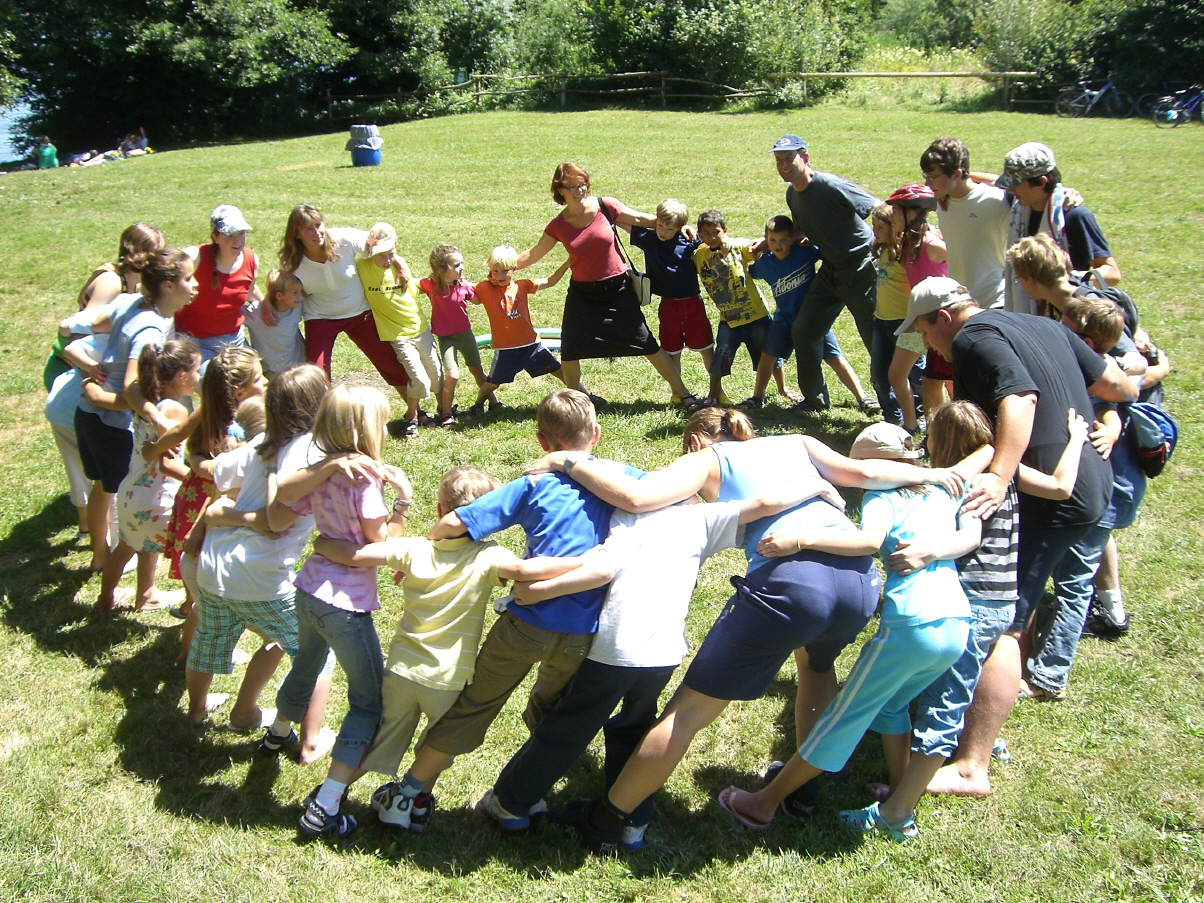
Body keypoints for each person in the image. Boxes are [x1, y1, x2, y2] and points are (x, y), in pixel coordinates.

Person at [522, 408, 962, 853]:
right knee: (815, 666)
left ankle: (606, 820)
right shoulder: (796, 442)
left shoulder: (707, 460)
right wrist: (940, 473)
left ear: (695, 442)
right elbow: (866, 472)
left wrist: (567, 461)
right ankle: (801, 791)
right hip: (860, 586)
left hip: (792, 584)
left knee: (688, 712)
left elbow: (637, 498)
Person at [481, 478, 839, 849]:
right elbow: (767, 498)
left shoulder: (627, 515)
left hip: (613, 650)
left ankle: (512, 802)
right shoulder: (700, 520)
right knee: (636, 730)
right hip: (663, 655)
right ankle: (632, 824)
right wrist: (814, 487)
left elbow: (600, 564)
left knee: (570, 725)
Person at [896, 276, 1136, 797]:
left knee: (1002, 621)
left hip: (1049, 497)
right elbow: (1121, 385)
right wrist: (1111, 420)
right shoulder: (1038, 323)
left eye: (923, 332)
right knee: (1012, 615)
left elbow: (1021, 399)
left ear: (943, 317)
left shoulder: (971, 338)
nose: (928, 346)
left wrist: (1000, 475)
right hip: (1090, 482)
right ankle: (984, 732)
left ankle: (972, 762)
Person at [363, 389, 640, 830]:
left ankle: (410, 791)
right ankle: (528, 795)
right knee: (554, 711)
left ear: (541, 442)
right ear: (597, 435)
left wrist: (432, 554)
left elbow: (456, 522)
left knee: (474, 704)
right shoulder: (625, 480)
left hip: (526, 622)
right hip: (583, 631)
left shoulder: (534, 482)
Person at [715, 421, 979, 840]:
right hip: (957, 624)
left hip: (909, 624)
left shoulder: (882, 496)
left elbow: (869, 542)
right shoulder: (944, 491)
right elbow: (972, 534)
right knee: (892, 708)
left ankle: (763, 803)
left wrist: (799, 540)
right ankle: (898, 789)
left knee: (842, 719)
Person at [286, 465, 580, 833]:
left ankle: (331, 795)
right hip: (448, 679)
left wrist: (323, 544)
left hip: (402, 671)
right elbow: (526, 570)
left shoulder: (414, 549)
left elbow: (357, 555)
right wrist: (588, 560)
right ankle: (413, 802)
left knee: (380, 736)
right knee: (436, 745)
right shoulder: (489, 557)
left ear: (441, 512)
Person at [258, 385, 411, 839]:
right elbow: (382, 547)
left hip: (308, 591)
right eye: (382, 422)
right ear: (367, 429)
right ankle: (324, 806)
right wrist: (401, 500)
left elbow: (279, 513)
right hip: (345, 606)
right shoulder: (366, 481)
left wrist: (323, 470)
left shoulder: (320, 472)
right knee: (369, 701)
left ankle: (278, 731)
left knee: (305, 664)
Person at [185, 365, 330, 729]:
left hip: (213, 567)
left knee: (208, 643)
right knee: (314, 653)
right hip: (262, 575)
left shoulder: (260, 441)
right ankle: (307, 737)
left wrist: (225, 508)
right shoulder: (312, 453)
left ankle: (197, 711)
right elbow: (274, 522)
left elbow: (217, 472)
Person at [514, 162, 700, 409]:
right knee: (570, 349)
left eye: (582, 184)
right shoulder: (558, 225)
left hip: (617, 289)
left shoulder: (605, 206)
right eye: (571, 186)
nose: (579, 190)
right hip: (583, 293)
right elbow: (534, 253)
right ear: (560, 191)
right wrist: (502, 266)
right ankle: (577, 403)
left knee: (647, 343)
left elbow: (643, 219)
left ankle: (684, 394)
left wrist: (679, 225)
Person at [68, 248, 198, 573]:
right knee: (119, 492)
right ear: (168, 285)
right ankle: (114, 564)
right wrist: (155, 416)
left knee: (105, 488)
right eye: (188, 278)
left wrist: (95, 366)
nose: (195, 284)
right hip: (111, 423)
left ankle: (101, 555)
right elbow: (131, 386)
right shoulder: (150, 330)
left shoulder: (133, 300)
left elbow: (98, 322)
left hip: (89, 415)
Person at [162, 346, 267, 667]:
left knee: (202, 598)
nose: (265, 384)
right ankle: (203, 650)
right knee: (212, 597)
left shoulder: (216, 412)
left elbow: (193, 454)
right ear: (238, 392)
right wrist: (211, 469)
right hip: (209, 511)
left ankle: (185, 652)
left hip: (202, 505)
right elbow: (194, 454)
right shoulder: (237, 423)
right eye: (260, 379)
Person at [770, 134, 879, 411]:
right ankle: (814, 400)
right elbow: (803, 226)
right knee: (804, 330)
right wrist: (780, 239)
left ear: (805, 158)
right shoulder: (792, 194)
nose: (783, 165)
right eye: (779, 160)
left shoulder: (830, 185)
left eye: (789, 159)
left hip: (861, 270)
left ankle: (898, 407)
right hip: (830, 271)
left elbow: (878, 208)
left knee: (876, 340)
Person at [93, 339, 200, 613]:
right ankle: (191, 606)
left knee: (127, 547)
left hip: (131, 493)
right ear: (182, 376)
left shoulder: (146, 402)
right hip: (160, 500)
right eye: (197, 370)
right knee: (191, 553)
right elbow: (167, 464)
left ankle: (106, 600)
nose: (199, 377)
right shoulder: (175, 411)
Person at [276, 204, 410, 398]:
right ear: (296, 234)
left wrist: (401, 264)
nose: (317, 232)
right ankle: (322, 420)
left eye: (318, 224)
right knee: (316, 374)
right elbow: (285, 291)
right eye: (308, 228)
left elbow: (381, 242)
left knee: (389, 361)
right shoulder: (292, 262)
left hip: (359, 313)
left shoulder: (342, 238)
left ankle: (415, 412)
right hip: (320, 318)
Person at [745, 215, 874, 413]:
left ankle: (863, 398)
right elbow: (750, 269)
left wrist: (810, 241)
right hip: (784, 319)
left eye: (783, 240)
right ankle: (758, 397)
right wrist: (755, 250)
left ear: (792, 238)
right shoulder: (765, 264)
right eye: (772, 240)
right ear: (766, 239)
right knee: (767, 357)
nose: (778, 245)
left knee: (834, 358)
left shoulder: (804, 253)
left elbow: (824, 252)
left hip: (813, 319)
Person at [996, 143, 1121, 317]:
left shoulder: (1074, 216)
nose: (1010, 189)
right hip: (1027, 316)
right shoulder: (1021, 208)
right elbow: (976, 182)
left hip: (1067, 316)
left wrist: (1063, 281)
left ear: (1041, 182)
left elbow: (1112, 273)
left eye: (1016, 183)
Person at [357, 224, 445, 437]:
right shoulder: (362, 266)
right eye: (381, 256)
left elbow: (417, 284)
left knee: (437, 375)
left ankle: (445, 411)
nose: (387, 260)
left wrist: (400, 263)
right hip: (398, 336)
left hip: (420, 329)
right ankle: (411, 417)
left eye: (391, 255)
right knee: (419, 379)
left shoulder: (399, 268)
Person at [628, 199, 712, 407]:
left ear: (679, 227)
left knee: (706, 347)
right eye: (660, 225)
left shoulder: (689, 240)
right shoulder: (649, 239)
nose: (663, 232)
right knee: (672, 350)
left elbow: (714, 238)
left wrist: (688, 229)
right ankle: (677, 392)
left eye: (670, 228)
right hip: (668, 306)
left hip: (693, 303)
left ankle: (716, 391)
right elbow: (623, 220)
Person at [468, 245, 570, 414]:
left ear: (514, 269)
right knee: (493, 382)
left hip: (531, 346)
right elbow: (465, 290)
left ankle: (585, 396)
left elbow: (550, 281)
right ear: (490, 269)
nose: (500, 276)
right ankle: (478, 404)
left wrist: (567, 264)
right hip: (505, 350)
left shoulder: (522, 286)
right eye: (495, 271)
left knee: (559, 371)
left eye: (505, 271)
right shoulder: (483, 288)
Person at [692, 208, 770, 407]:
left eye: (716, 232)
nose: (712, 237)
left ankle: (780, 388)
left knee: (767, 356)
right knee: (721, 357)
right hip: (729, 320)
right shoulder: (699, 254)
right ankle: (713, 394)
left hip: (756, 316)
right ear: (700, 234)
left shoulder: (736, 246)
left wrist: (735, 242)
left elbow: (753, 246)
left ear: (725, 230)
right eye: (706, 233)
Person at [920, 137, 1010, 309]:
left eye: (932, 177)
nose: (927, 183)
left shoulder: (996, 201)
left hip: (994, 302)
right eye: (926, 176)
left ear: (956, 174)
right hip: (959, 303)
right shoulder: (942, 201)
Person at [888, 183, 951, 428]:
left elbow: (961, 262)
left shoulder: (933, 246)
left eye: (896, 211)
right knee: (899, 373)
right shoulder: (908, 243)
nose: (892, 216)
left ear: (912, 213)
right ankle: (914, 425)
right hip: (918, 319)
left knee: (940, 380)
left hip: (938, 320)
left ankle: (945, 427)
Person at [176, 205, 257, 367]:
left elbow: (249, 290)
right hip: (195, 342)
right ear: (215, 237)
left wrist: (267, 307)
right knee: (218, 386)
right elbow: (163, 274)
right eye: (229, 235)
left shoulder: (251, 259)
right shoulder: (195, 257)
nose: (237, 241)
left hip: (234, 340)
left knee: (252, 383)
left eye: (241, 233)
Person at [869, 203, 926, 433]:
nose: (875, 231)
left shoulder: (906, 252)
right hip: (881, 321)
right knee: (879, 376)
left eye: (881, 227)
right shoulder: (882, 250)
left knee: (917, 376)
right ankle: (893, 418)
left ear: (894, 227)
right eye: (873, 226)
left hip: (905, 323)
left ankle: (923, 412)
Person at [243, 269, 305, 377]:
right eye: (295, 293)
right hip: (270, 371)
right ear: (279, 296)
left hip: (298, 367)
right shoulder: (256, 312)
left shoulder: (297, 306)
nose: (300, 296)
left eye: (300, 291)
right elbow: (232, 311)